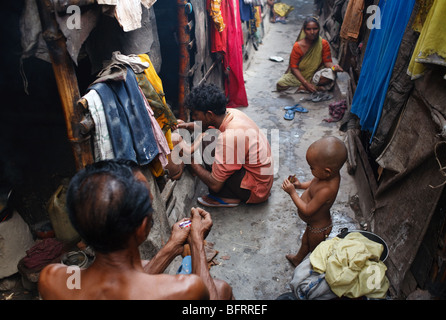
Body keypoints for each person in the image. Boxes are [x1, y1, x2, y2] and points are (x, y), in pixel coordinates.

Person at [38, 159, 233, 300]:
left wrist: (173, 246)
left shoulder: (52, 278)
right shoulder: (186, 289)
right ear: (142, 228)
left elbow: (127, 285)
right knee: (221, 289)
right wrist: (196, 240)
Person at [178, 83, 273, 208]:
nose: (194, 118)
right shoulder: (231, 113)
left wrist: (189, 160)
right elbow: (208, 125)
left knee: (208, 143)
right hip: (262, 181)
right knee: (208, 138)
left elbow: (214, 184)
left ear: (209, 114)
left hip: (256, 191)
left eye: (196, 115)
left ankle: (227, 197)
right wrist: (186, 125)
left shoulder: (229, 136)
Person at [281, 136, 347, 267]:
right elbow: (312, 183)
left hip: (319, 228)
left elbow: (307, 210)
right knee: (305, 241)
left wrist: (292, 193)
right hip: (313, 225)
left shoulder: (327, 190)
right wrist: (299, 186)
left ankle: (315, 271)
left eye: (312, 168)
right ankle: (297, 259)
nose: (311, 170)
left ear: (327, 171)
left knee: (315, 252)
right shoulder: (325, 176)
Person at [276, 16, 343, 93]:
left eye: (315, 29)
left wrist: (334, 67)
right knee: (280, 84)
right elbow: (294, 68)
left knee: (329, 75)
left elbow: (327, 62)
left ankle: (307, 86)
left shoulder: (323, 43)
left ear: (319, 29)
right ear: (304, 31)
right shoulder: (298, 46)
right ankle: (308, 88)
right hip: (299, 76)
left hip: (315, 75)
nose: (312, 32)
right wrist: (305, 84)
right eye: (308, 29)